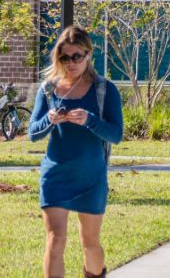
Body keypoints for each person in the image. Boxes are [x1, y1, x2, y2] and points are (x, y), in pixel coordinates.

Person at [29, 25, 124, 278]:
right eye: (65, 57)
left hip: (90, 176)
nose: (71, 63)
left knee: (90, 245)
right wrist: (49, 120)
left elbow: (116, 135)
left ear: (88, 55)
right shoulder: (48, 89)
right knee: (55, 240)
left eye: (76, 56)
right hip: (56, 174)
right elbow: (32, 133)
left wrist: (90, 120)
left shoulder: (105, 90)